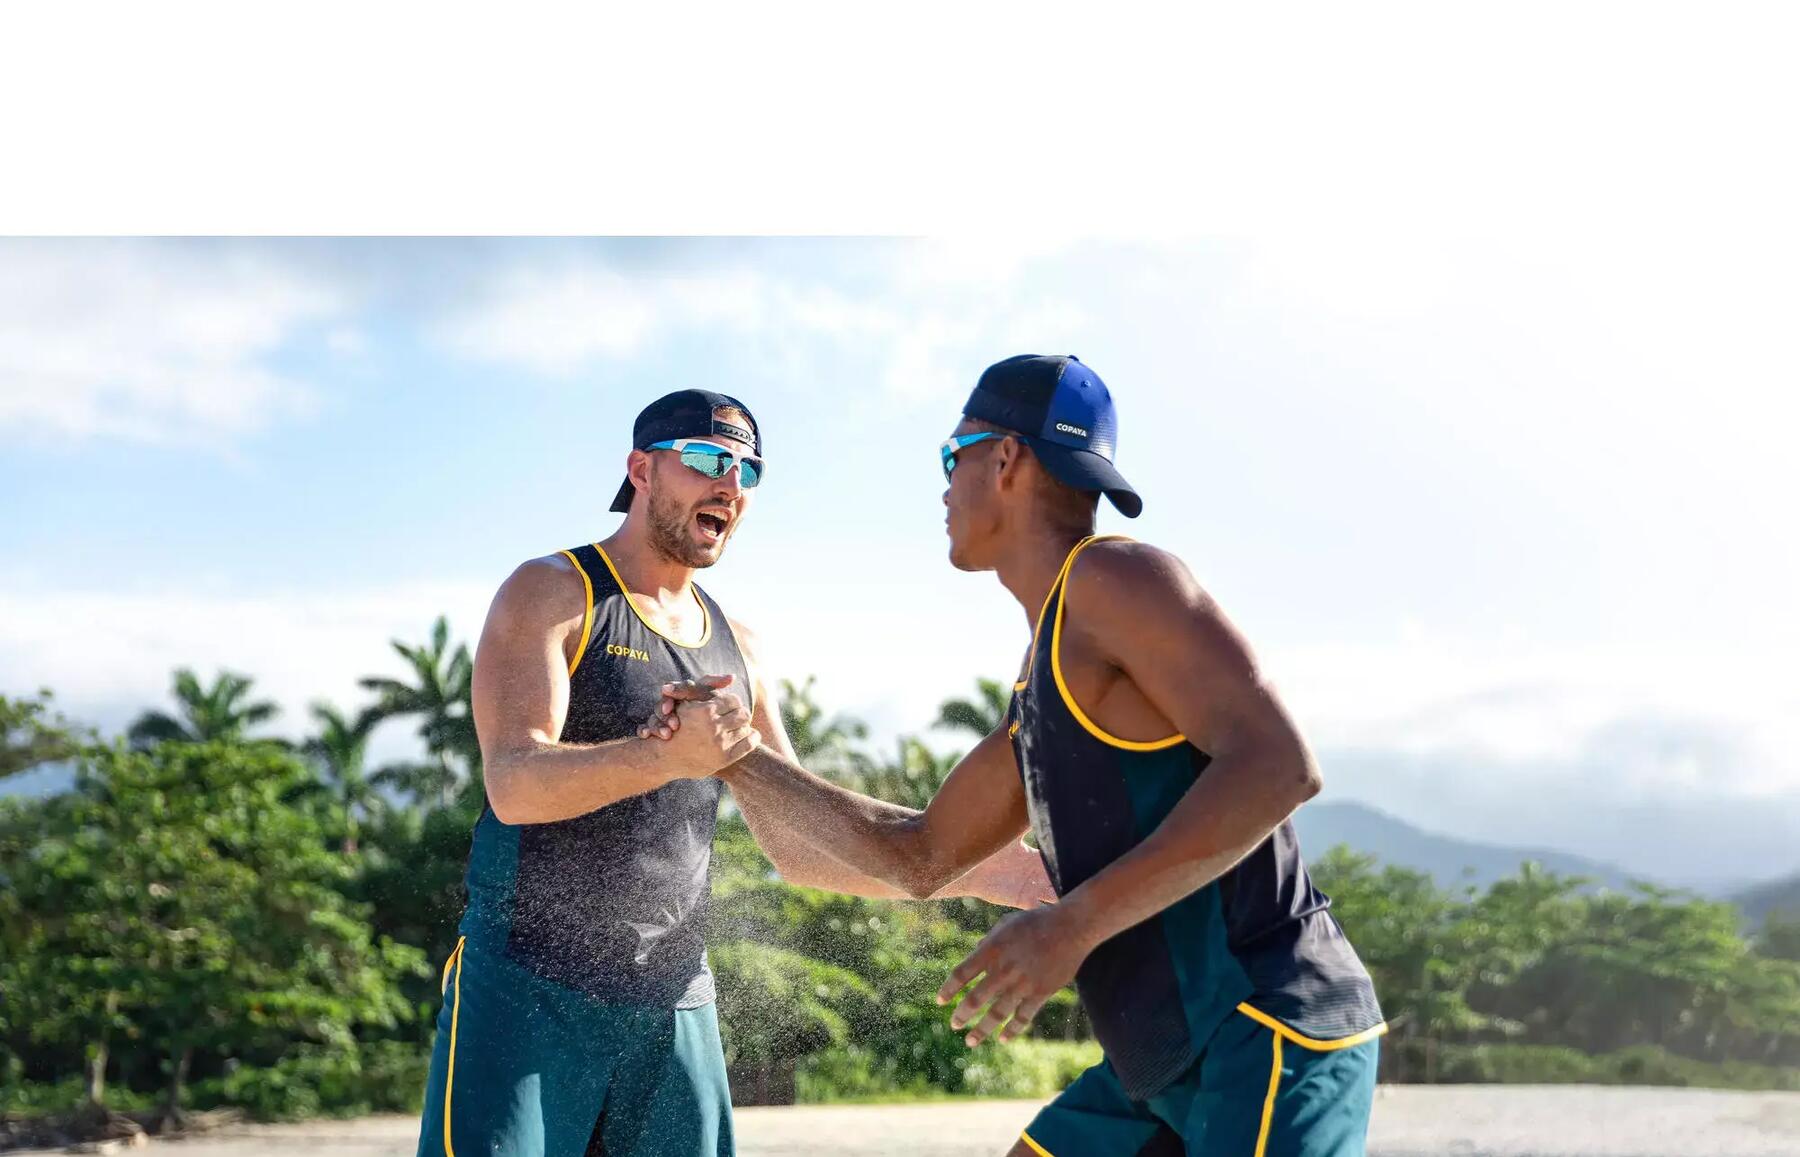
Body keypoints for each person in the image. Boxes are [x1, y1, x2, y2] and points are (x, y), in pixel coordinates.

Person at [654, 357, 1386, 1156]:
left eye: (951, 455)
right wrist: (737, 756)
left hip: (1266, 1023)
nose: (943, 485)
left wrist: (1069, 926)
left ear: (1004, 459)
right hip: (1162, 1064)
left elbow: (1280, 765)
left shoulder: (1114, 576)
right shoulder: (1042, 681)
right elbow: (921, 855)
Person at [415, 389, 1052, 1157]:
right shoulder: (554, 592)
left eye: (749, 469)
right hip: (527, 993)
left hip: (676, 1005)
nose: (732, 484)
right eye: (710, 459)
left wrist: (997, 875)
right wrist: (661, 754)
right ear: (641, 468)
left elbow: (802, 847)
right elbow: (513, 783)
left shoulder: (738, 649)